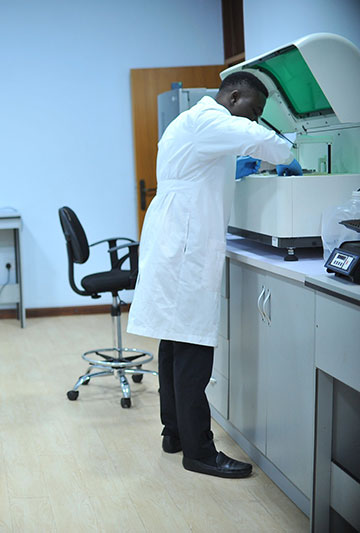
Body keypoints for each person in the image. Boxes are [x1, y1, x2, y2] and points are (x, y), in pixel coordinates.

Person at [126, 72, 299, 478]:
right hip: (186, 243)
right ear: (234, 96)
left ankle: (175, 433)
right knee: (193, 351)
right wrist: (291, 154)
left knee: (174, 342)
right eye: (253, 111)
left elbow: (210, 165)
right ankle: (199, 452)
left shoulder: (191, 123)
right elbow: (267, 143)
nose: (253, 120)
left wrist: (236, 168)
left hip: (174, 236)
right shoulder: (209, 120)